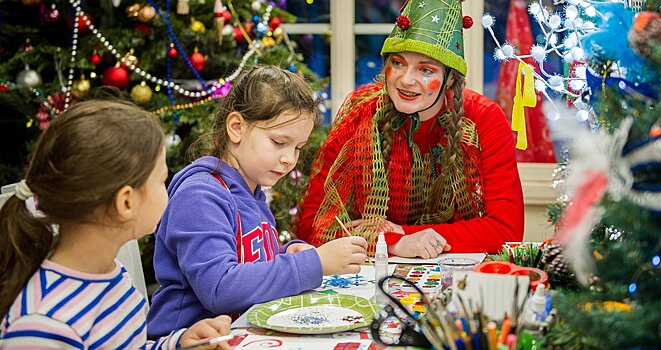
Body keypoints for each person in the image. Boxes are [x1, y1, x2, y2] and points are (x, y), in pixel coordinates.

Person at [147, 65, 367, 337]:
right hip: (186, 339)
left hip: (239, 334)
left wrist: (287, 252)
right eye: (278, 142)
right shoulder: (200, 196)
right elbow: (220, 288)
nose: (289, 158)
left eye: (297, 148)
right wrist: (315, 263)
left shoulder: (251, 189)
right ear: (237, 128)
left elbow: (248, 255)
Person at [294, 0, 524, 257]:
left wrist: (403, 233)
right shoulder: (359, 113)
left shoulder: (483, 119)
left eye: (425, 69)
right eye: (399, 63)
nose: (406, 80)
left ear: (450, 80)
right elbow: (310, 224)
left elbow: (506, 231)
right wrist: (393, 243)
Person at [0, 100, 233, 349]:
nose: (167, 190)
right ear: (126, 202)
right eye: (162, 180)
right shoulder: (42, 327)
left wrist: (176, 344)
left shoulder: (112, 272)